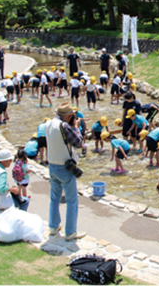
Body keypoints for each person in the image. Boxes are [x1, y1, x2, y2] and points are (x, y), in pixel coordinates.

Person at [45, 102, 87, 241]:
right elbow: (79, 142)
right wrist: (76, 127)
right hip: (65, 167)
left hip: (52, 164)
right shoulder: (65, 126)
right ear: (68, 116)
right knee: (72, 200)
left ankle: (53, 227)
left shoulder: (49, 123)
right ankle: (70, 232)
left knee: (54, 198)